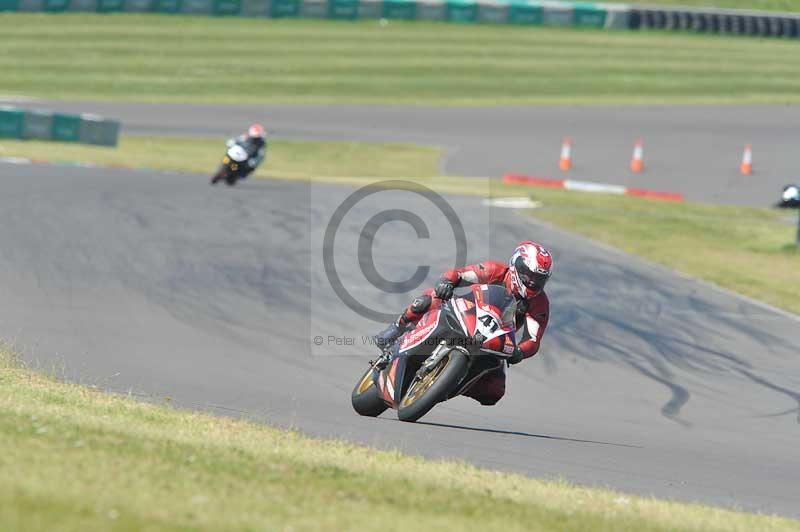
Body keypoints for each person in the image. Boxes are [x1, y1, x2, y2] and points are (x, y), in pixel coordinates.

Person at [374, 241, 553, 406]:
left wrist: (520, 352)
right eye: (529, 275)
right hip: (465, 313)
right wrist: (447, 283)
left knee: (494, 391)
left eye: (538, 279)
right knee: (431, 299)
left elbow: (533, 339)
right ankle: (396, 329)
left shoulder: (539, 302)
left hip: (494, 339)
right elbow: (459, 274)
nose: (532, 282)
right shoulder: (496, 270)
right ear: (516, 265)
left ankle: (449, 383)